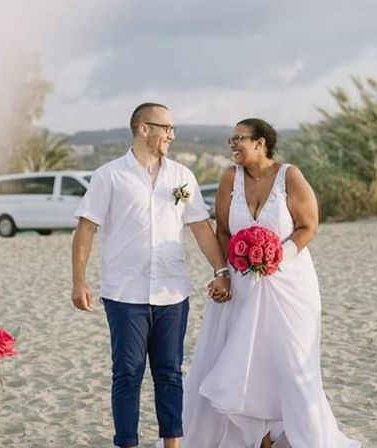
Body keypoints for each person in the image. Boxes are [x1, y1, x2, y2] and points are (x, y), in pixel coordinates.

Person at [179, 119, 361, 447]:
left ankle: (290, 433)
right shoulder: (229, 178)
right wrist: (223, 273)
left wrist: (277, 254)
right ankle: (256, 435)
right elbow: (223, 231)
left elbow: (309, 225)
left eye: (240, 139)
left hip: (289, 285)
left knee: (290, 362)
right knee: (238, 361)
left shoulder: (289, 176)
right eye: (231, 139)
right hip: (240, 285)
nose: (233, 144)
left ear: (261, 143)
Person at [71, 102, 230, 448]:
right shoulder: (109, 175)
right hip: (124, 294)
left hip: (173, 292)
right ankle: (126, 443)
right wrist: (79, 281)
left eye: (173, 129)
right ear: (144, 128)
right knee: (127, 374)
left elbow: (201, 228)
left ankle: (172, 443)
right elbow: (85, 230)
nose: (172, 135)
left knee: (170, 373)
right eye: (167, 128)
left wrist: (220, 271)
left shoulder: (181, 177)